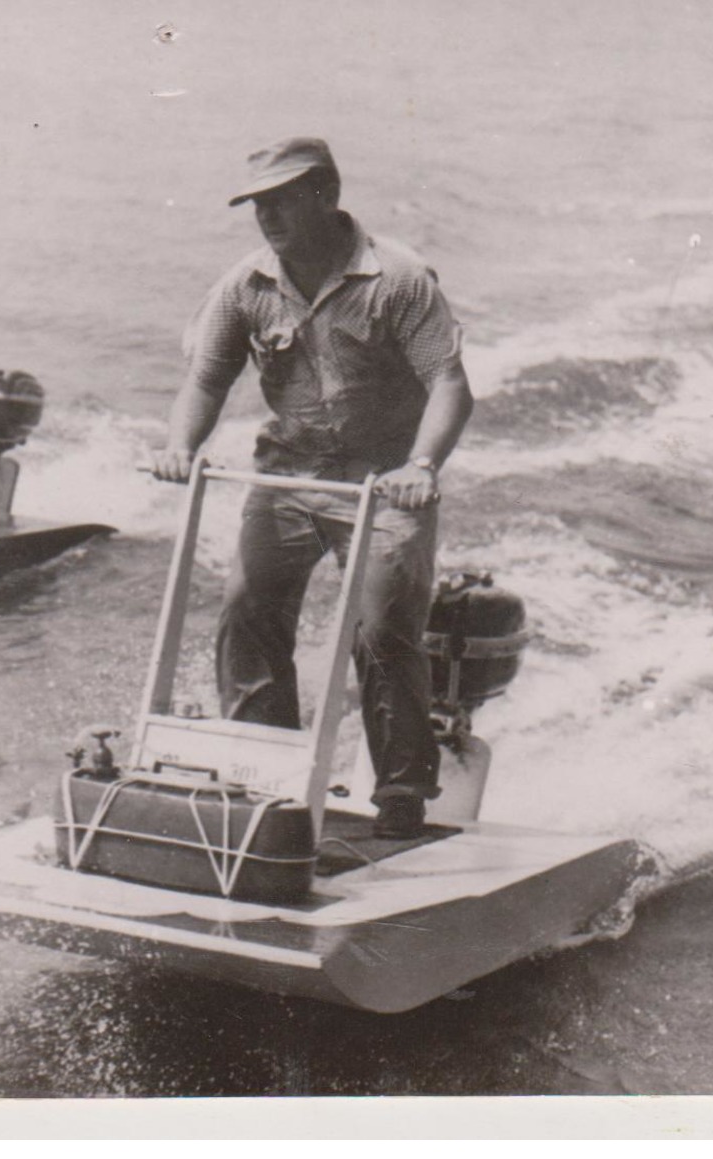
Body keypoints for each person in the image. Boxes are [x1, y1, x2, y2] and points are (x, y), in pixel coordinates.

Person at [150, 137, 474, 839]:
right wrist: (180, 447)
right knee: (246, 610)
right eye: (256, 204)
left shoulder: (398, 279)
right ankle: (262, 774)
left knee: (384, 623)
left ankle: (401, 792)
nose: (265, 216)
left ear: (324, 194)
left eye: (280, 201)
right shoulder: (244, 285)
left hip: (383, 479)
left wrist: (420, 468)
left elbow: (448, 384)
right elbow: (206, 379)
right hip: (288, 472)